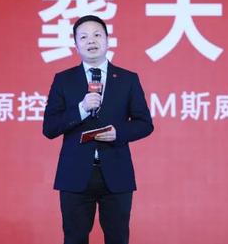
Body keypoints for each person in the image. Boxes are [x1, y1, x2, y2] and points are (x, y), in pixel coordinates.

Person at [43, 14, 153, 244]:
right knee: (74, 239)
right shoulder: (63, 80)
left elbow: (144, 123)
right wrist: (81, 109)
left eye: (97, 35)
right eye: (83, 37)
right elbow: (50, 127)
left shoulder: (127, 79)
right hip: (74, 174)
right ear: (76, 44)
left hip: (116, 172)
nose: (91, 40)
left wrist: (119, 133)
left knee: (118, 239)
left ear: (107, 40)